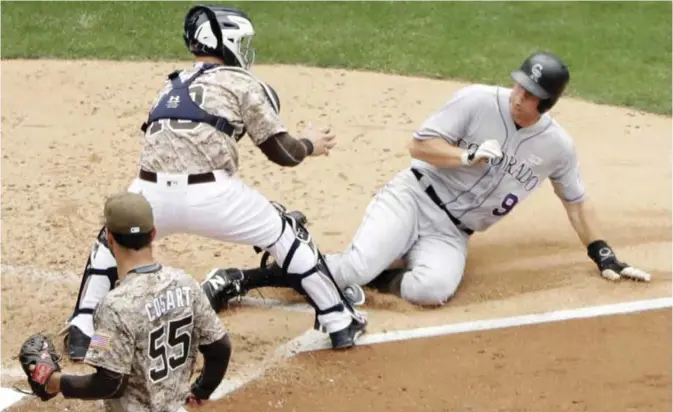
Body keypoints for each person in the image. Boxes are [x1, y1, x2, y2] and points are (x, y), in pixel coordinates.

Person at [208, 51, 652, 308]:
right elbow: (419, 145)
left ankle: (383, 275)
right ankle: (245, 279)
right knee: (355, 266)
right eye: (518, 86)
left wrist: (603, 254)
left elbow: (576, 201)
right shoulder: (478, 101)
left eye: (529, 95)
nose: (518, 96)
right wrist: (466, 155)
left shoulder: (557, 147)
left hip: (452, 233)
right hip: (413, 197)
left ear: (546, 103)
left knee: (432, 291)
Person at [63, 4, 367, 361]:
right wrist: (311, 143)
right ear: (228, 41)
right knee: (286, 234)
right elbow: (283, 153)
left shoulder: (171, 84)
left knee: (108, 240)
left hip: (149, 196)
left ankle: (82, 329)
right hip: (214, 197)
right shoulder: (241, 82)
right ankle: (339, 320)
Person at [19, 192, 231, 410]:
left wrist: (55, 382)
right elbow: (220, 348)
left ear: (109, 239)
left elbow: (110, 383)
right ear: (153, 234)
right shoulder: (187, 285)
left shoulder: (114, 307)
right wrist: (202, 389)